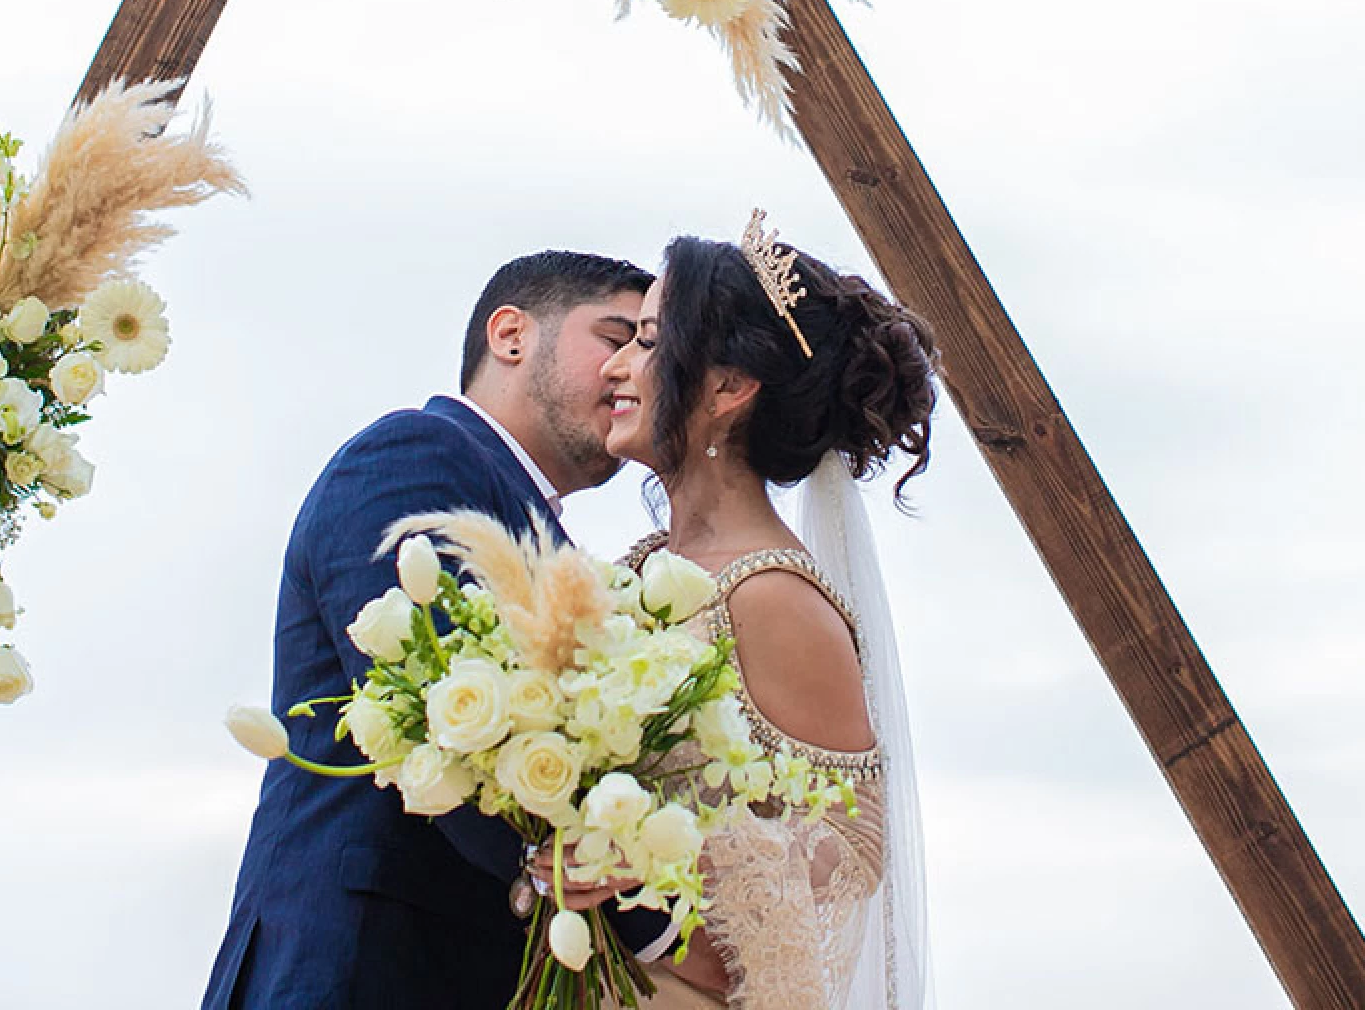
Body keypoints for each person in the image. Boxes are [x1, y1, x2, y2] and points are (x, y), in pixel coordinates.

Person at [203, 249, 673, 1010]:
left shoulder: (547, 536)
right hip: (355, 965)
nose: (630, 370)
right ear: (512, 335)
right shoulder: (414, 455)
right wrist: (654, 929)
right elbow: (440, 711)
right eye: (613, 338)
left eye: (644, 351)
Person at [568, 215, 940, 1010]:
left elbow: (850, 854)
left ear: (729, 388)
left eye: (646, 340)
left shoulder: (770, 597)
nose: (618, 365)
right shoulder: (633, 572)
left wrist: (661, 879)